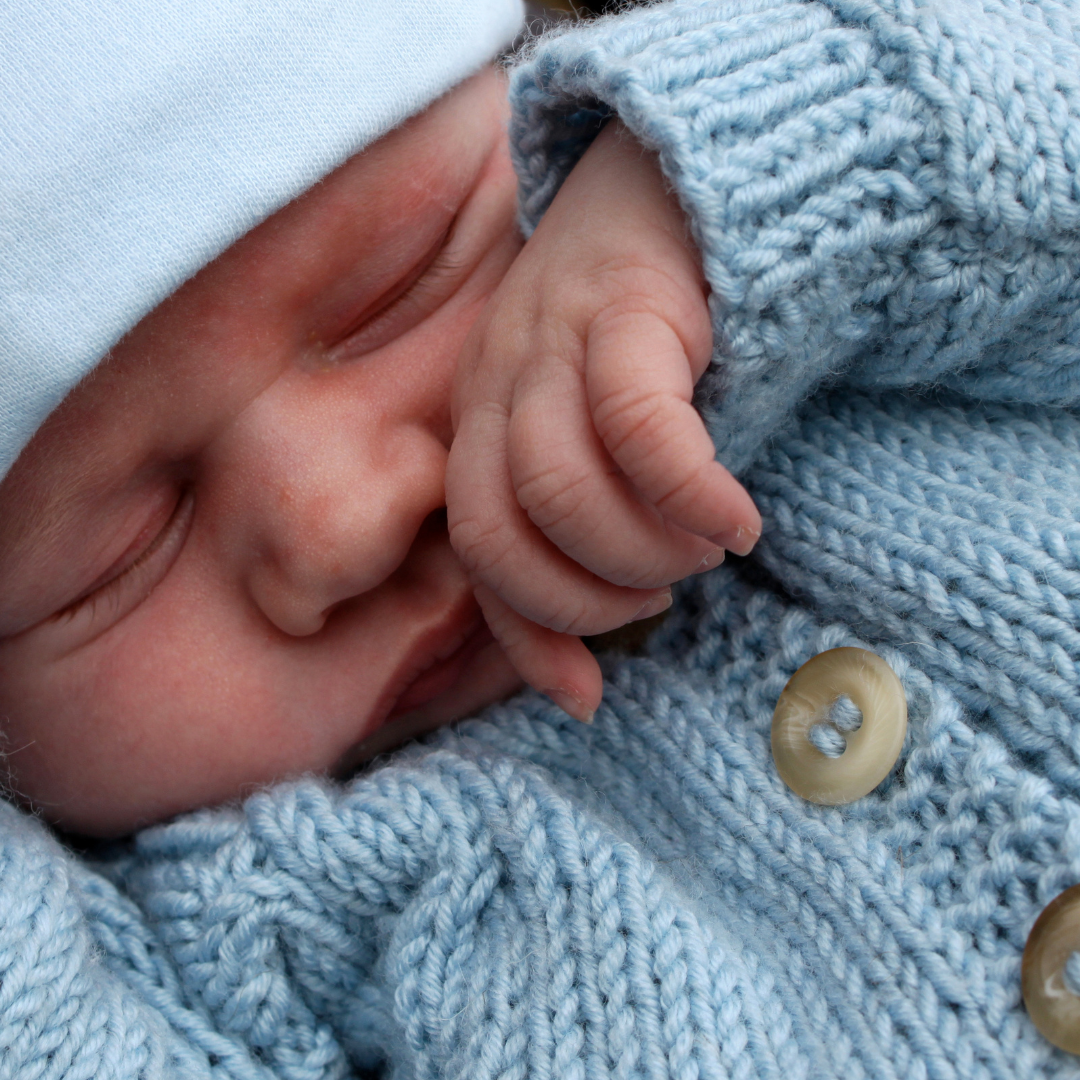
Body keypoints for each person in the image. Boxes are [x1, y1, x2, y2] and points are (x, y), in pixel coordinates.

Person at [4, 0, 1080, 1077]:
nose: (347, 520)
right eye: (113, 561)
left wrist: (750, 163)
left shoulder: (877, 304)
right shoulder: (235, 951)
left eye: (401, 283)